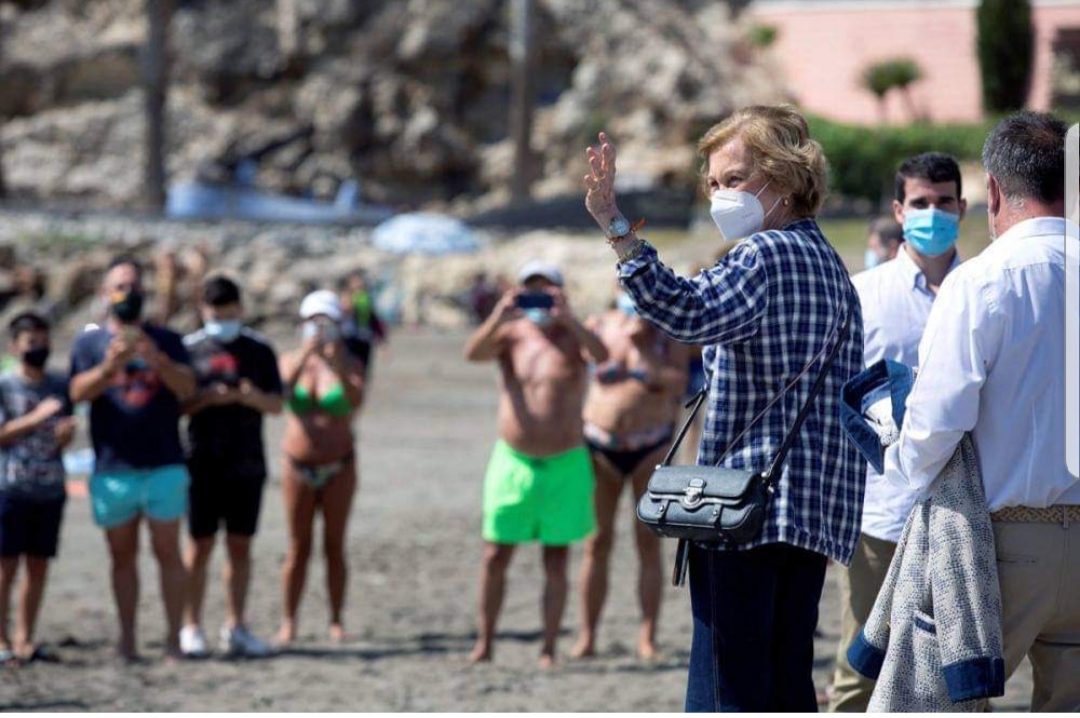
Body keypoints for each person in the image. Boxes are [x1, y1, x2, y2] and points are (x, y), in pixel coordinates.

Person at [583, 106, 864, 711]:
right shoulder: (835, 269)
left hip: (744, 507)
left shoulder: (763, 255)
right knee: (785, 684)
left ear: (784, 177)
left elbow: (685, 310)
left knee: (724, 688)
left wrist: (617, 228)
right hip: (814, 508)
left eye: (734, 179)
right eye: (713, 183)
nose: (719, 195)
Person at [884, 113, 1079, 711]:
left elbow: (937, 421)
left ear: (992, 190)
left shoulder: (981, 280)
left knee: (940, 705)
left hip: (998, 544)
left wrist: (900, 463)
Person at [828, 152, 967, 712]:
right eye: (920, 203)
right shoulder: (863, 293)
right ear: (899, 210)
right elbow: (839, 400)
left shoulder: (982, 289)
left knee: (958, 672)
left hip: (966, 513)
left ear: (963, 207)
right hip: (879, 510)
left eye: (943, 202)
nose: (933, 213)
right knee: (859, 669)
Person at [463, 261, 608, 667]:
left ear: (561, 294)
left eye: (547, 293)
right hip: (513, 460)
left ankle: (548, 647)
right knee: (495, 554)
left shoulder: (574, 337)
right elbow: (471, 353)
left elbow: (603, 356)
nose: (539, 302)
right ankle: (484, 642)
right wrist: (499, 314)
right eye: (532, 292)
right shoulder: (511, 335)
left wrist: (570, 318)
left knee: (556, 559)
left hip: (565, 462)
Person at [69, 256, 196, 660]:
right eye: (120, 287)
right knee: (122, 558)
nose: (128, 294)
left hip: (164, 463)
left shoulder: (167, 339)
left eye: (135, 287)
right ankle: (127, 640)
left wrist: (157, 359)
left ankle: (174, 640)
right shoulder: (89, 342)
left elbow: (188, 388)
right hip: (114, 467)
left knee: (168, 553)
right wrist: (108, 367)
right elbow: (76, 393)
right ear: (105, 293)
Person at [572, 287, 689, 660]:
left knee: (648, 544)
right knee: (596, 542)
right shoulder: (599, 325)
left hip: (650, 446)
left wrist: (642, 348)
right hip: (600, 445)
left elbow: (678, 383)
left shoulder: (666, 334)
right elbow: (577, 362)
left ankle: (647, 637)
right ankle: (587, 636)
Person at [179, 276, 283, 658]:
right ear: (202, 312)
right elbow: (177, 406)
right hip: (202, 460)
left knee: (240, 545)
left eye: (228, 313)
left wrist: (251, 397)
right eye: (215, 315)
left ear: (240, 309)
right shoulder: (190, 348)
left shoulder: (259, 349)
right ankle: (191, 625)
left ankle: (236, 625)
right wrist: (207, 399)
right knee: (199, 545)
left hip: (246, 461)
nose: (222, 321)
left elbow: (277, 404)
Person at [277, 290, 364, 646]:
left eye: (327, 323)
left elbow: (355, 401)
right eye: (314, 322)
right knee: (298, 547)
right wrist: (305, 356)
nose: (320, 329)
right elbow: (278, 393)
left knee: (334, 546)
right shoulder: (289, 361)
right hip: (297, 466)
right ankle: (289, 621)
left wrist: (335, 364)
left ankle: (336, 619)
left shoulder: (350, 363)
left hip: (338, 466)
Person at [0, 312, 75, 664]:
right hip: (10, 487)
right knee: (6, 567)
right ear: (15, 347)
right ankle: (1, 640)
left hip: (50, 488)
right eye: (32, 342)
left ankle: (25, 638)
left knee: (38, 566)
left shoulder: (59, 385)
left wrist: (65, 436)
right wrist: (36, 417)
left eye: (45, 341)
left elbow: (62, 440)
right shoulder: (5, 386)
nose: (40, 348)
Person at [339, 271, 387, 378]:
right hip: (349, 338)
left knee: (363, 370)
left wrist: (382, 342)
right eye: (355, 281)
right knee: (350, 369)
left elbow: (373, 320)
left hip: (365, 338)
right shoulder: (347, 296)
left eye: (359, 281)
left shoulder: (367, 297)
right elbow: (343, 313)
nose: (358, 283)